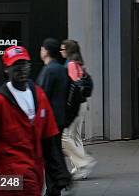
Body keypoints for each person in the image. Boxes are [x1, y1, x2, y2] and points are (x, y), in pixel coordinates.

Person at [0, 45, 60, 196]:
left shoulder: (39, 95)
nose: (21, 69)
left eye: (24, 64)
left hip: (36, 172)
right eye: (16, 65)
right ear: (6, 69)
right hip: (12, 173)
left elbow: (49, 138)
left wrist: (58, 171)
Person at [37, 38, 73, 195]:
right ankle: (57, 184)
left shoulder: (49, 70)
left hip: (49, 120)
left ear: (45, 51)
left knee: (50, 155)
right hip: (59, 118)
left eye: (41, 49)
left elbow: (41, 95)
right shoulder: (60, 69)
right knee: (54, 152)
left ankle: (55, 186)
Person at [60, 39, 97, 180]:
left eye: (63, 49)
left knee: (66, 137)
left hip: (74, 105)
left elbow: (72, 86)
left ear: (68, 50)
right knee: (75, 136)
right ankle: (80, 167)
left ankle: (83, 163)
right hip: (82, 104)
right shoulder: (79, 64)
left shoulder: (70, 64)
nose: (61, 52)